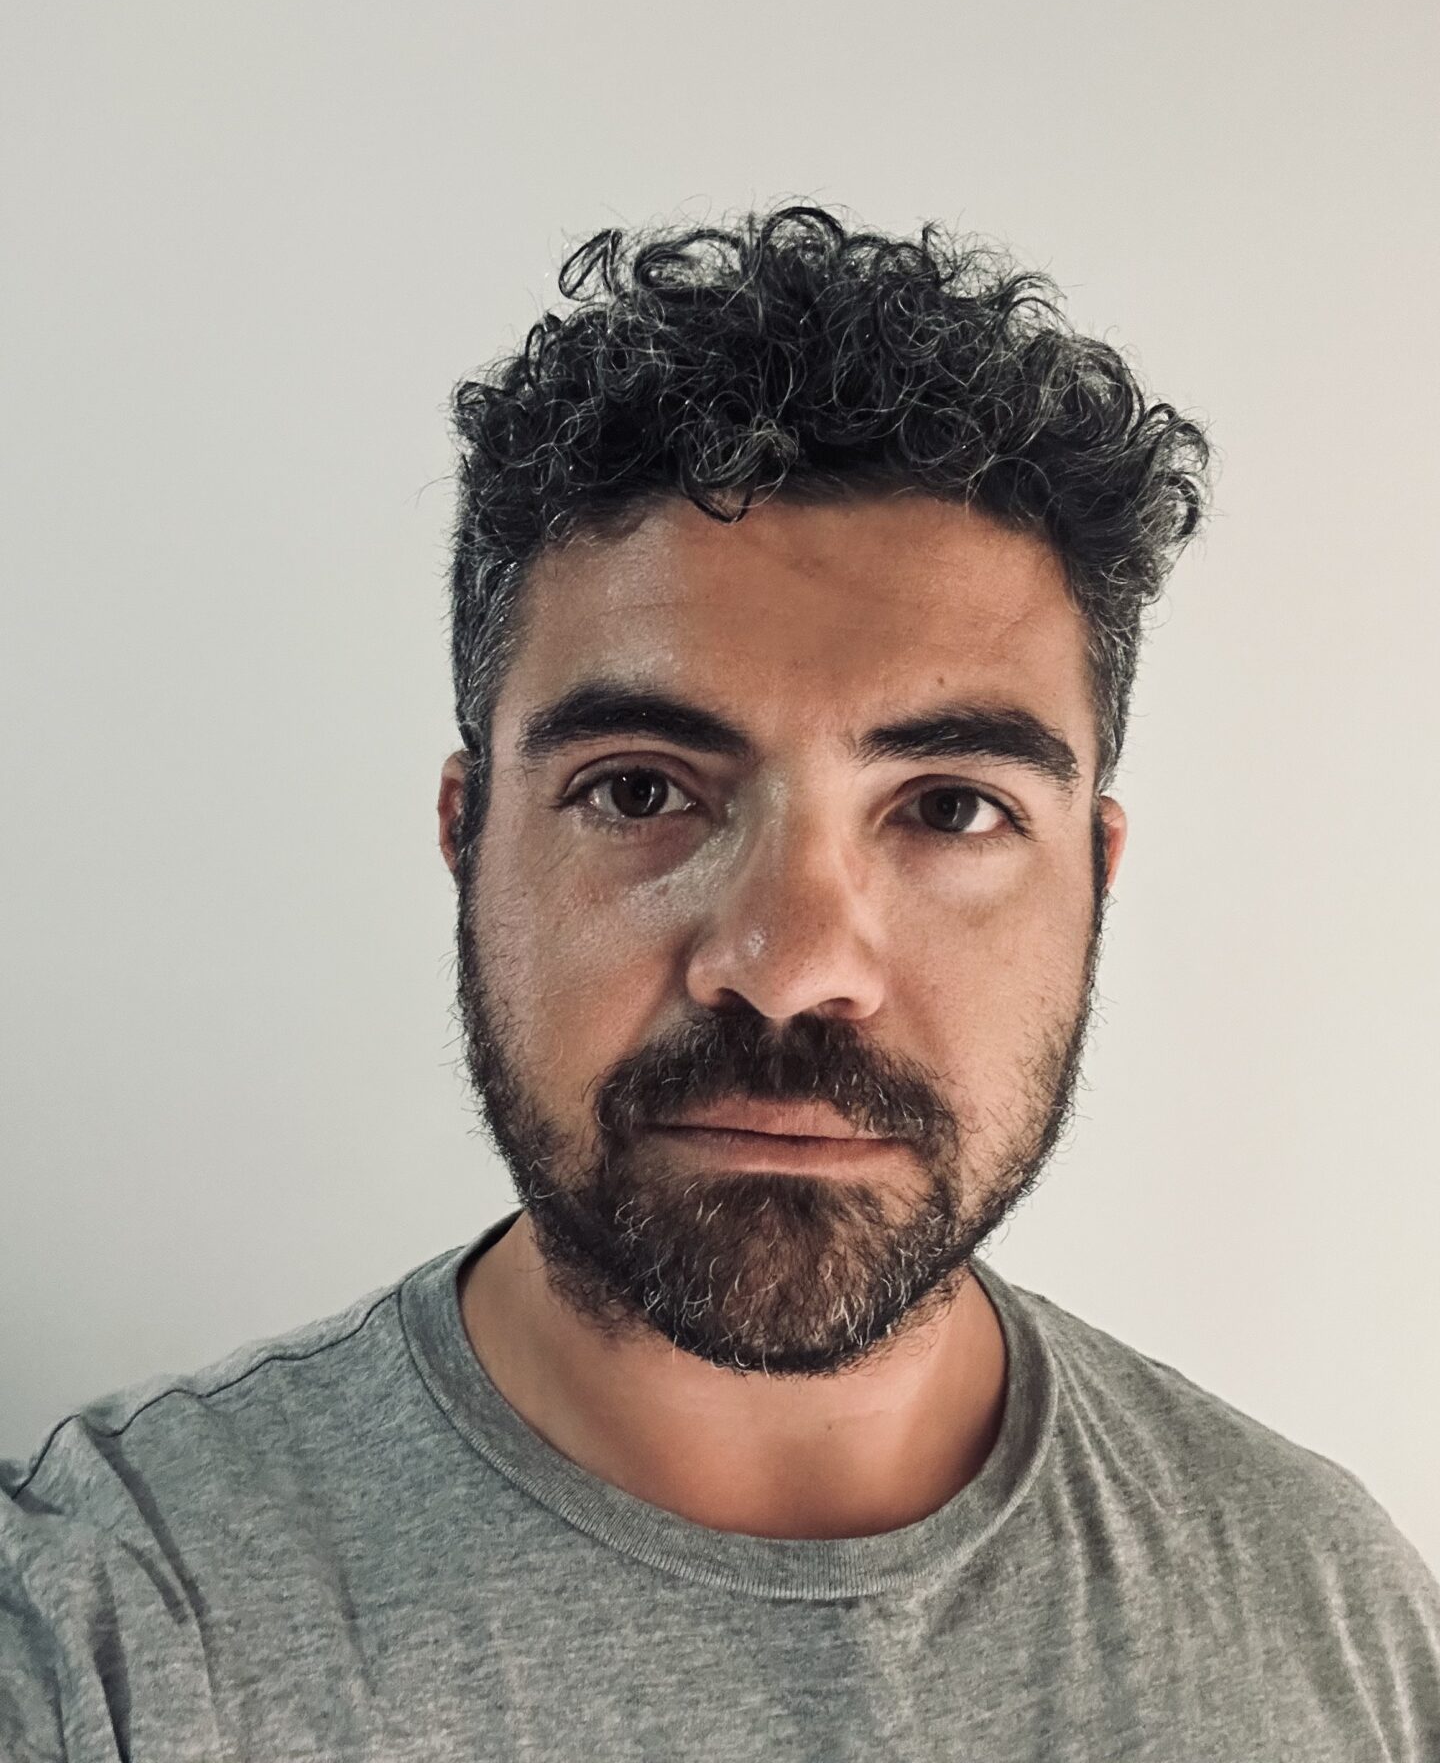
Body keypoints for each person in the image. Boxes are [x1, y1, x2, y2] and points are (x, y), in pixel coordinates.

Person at [3, 206, 1436, 1761]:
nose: (794, 967)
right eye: (641, 791)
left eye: (951, 807)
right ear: (468, 836)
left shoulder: (1332, 1626)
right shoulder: (115, 1633)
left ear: (1094, 872)